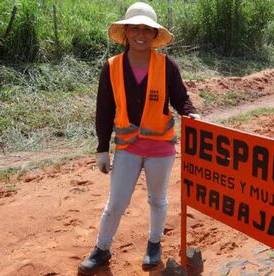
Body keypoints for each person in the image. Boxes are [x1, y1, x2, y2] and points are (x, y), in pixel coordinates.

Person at [78, 2, 199, 274]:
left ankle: (154, 244)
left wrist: (192, 115)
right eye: (135, 28)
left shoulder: (167, 66)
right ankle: (101, 249)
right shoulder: (111, 67)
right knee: (116, 203)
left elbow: (182, 99)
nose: (141, 34)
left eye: (147, 29)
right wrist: (101, 148)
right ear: (127, 32)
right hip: (128, 146)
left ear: (155, 35)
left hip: (161, 147)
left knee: (157, 199)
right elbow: (105, 110)